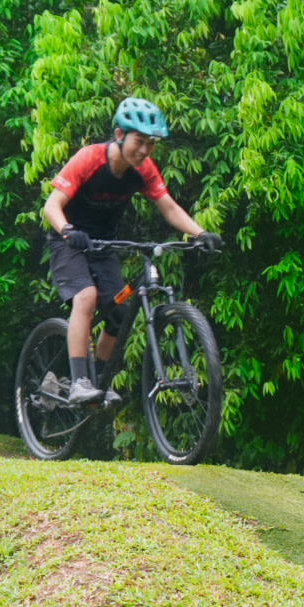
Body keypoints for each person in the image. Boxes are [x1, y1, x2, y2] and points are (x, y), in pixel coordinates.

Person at [42, 97, 221, 405]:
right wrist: (68, 230)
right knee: (86, 297)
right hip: (68, 241)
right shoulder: (89, 158)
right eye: (139, 141)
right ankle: (79, 381)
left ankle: (99, 379)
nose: (144, 150)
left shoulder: (144, 169)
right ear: (118, 134)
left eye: (151, 144)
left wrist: (200, 233)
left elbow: (168, 207)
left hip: (105, 246)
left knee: (120, 311)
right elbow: (52, 205)